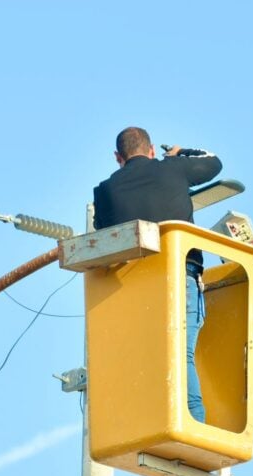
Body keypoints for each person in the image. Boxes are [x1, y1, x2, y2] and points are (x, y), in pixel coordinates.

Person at [93, 126, 222, 423]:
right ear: (152, 151)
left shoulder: (105, 191)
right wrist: (179, 154)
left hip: (135, 286)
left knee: (150, 356)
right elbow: (214, 162)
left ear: (118, 157)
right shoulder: (171, 169)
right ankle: (195, 424)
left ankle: (154, 422)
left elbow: (103, 232)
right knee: (181, 353)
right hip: (179, 276)